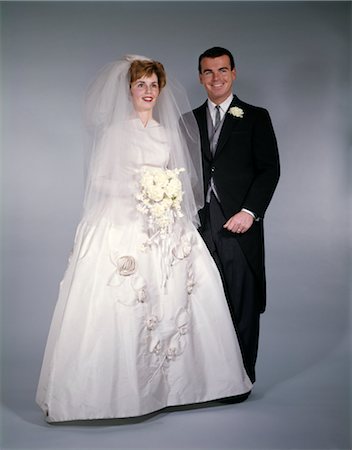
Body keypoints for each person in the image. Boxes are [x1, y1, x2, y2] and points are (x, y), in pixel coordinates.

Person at [36, 55, 252, 422]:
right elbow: (100, 181)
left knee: (179, 295)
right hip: (124, 221)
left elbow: (180, 179)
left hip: (167, 223)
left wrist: (166, 191)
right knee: (124, 301)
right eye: (141, 85)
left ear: (160, 89)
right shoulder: (116, 132)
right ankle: (116, 393)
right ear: (130, 90)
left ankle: (179, 386)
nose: (148, 91)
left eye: (154, 85)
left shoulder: (167, 134)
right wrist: (139, 188)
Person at [193, 47, 280, 389]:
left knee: (242, 302)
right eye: (208, 72)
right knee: (203, 302)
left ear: (234, 73)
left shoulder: (256, 117)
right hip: (198, 225)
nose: (216, 78)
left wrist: (250, 212)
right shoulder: (188, 120)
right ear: (201, 77)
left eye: (222, 70)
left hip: (238, 225)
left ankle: (241, 379)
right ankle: (208, 379)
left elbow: (269, 169)